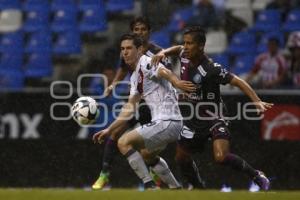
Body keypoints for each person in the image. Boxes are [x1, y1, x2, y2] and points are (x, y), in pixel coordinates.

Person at [151, 26, 273, 190]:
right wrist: (163, 52)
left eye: (190, 44)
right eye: (185, 43)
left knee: (221, 157)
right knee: (181, 158)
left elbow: (238, 81)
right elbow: (178, 49)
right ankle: (199, 188)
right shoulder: (184, 55)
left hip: (214, 115)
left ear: (200, 46)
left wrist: (256, 100)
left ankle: (256, 175)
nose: (185, 47)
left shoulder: (211, 68)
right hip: (195, 117)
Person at [93, 33, 196, 189]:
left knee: (123, 142)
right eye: (122, 49)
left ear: (139, 49)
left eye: (129, 48)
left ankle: (149, 186)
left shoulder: (146, 62)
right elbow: (129, 109)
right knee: (147, 154)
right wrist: (109, 129)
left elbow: (163, 71)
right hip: (166, 123)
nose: (125, 52)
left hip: (167, 121)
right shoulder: (134, 77)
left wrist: (177, 82)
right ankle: (176, 189)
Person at [91, 16, 171, 190]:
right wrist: (114, 84)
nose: (139, 32)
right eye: (136, 29)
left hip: (153, 105)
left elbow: (167, 77)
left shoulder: (158, 53)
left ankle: (154, 178)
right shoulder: (129, 50)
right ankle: (104, 175)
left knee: (146, 148)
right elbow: (122, 69)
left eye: (143, 29)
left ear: (149, 32)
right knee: (115, 134)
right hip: (135, 99)